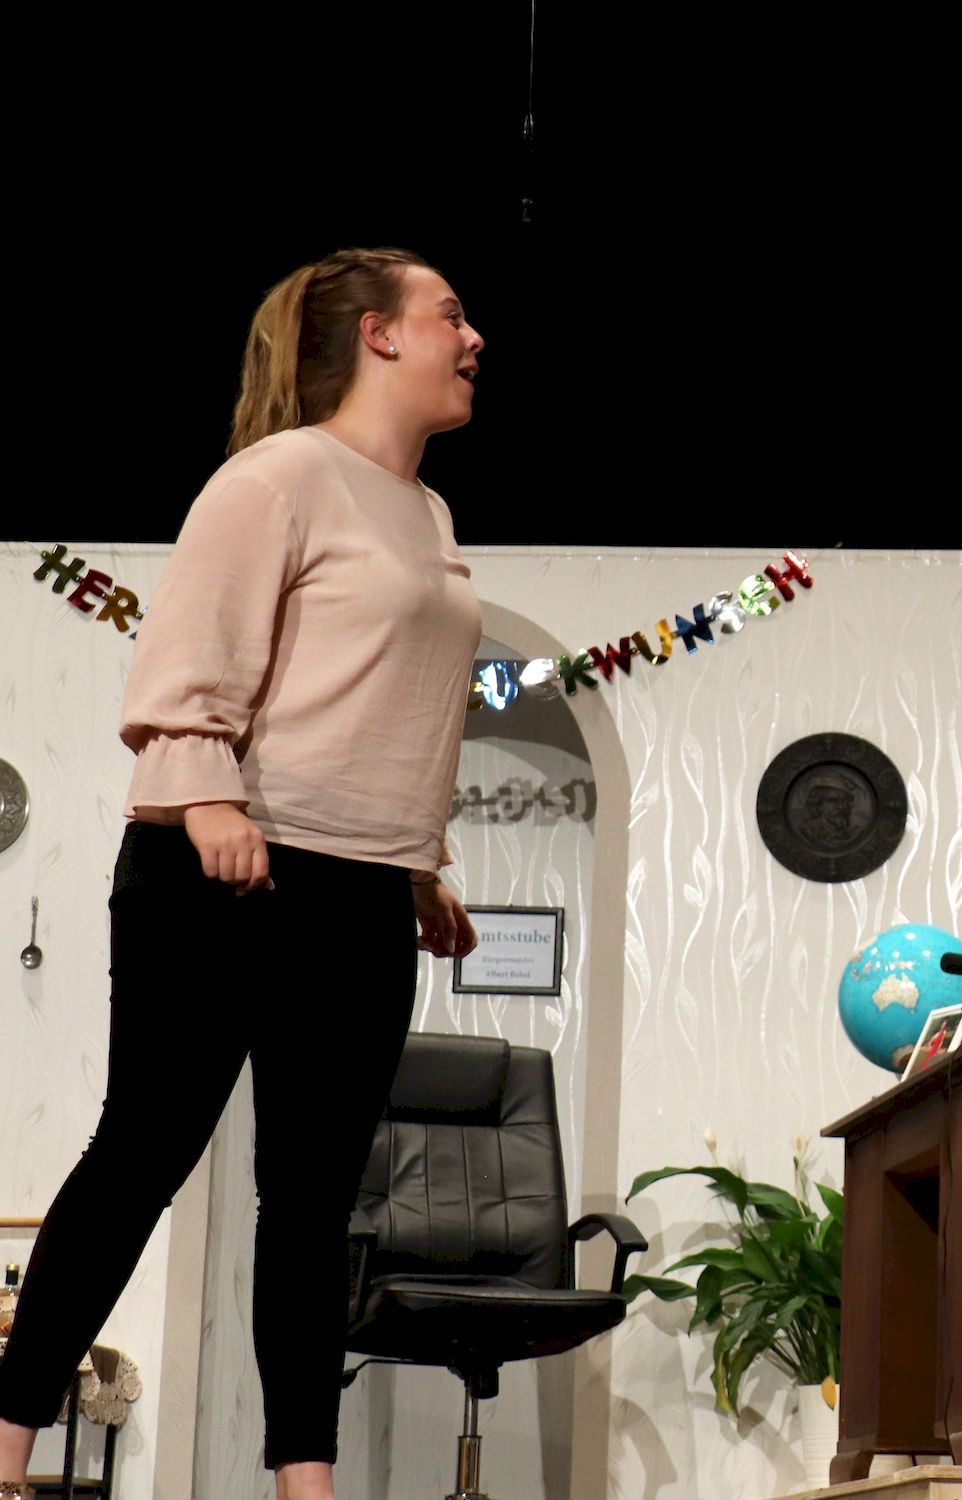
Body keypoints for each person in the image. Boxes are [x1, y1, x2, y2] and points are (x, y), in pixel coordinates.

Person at [0, 247, 487, 1500]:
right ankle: (4, 1442)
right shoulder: (277, 476)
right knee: (144, 1153)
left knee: (315, 1200)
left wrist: (416, 866)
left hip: (362, 887)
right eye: (449, 315)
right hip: (226, 865)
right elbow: (185, 661)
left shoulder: (428, 515)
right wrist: (208, 793)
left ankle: (301, 1482)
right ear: (378, 334)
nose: (472, 337)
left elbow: (382, 705)